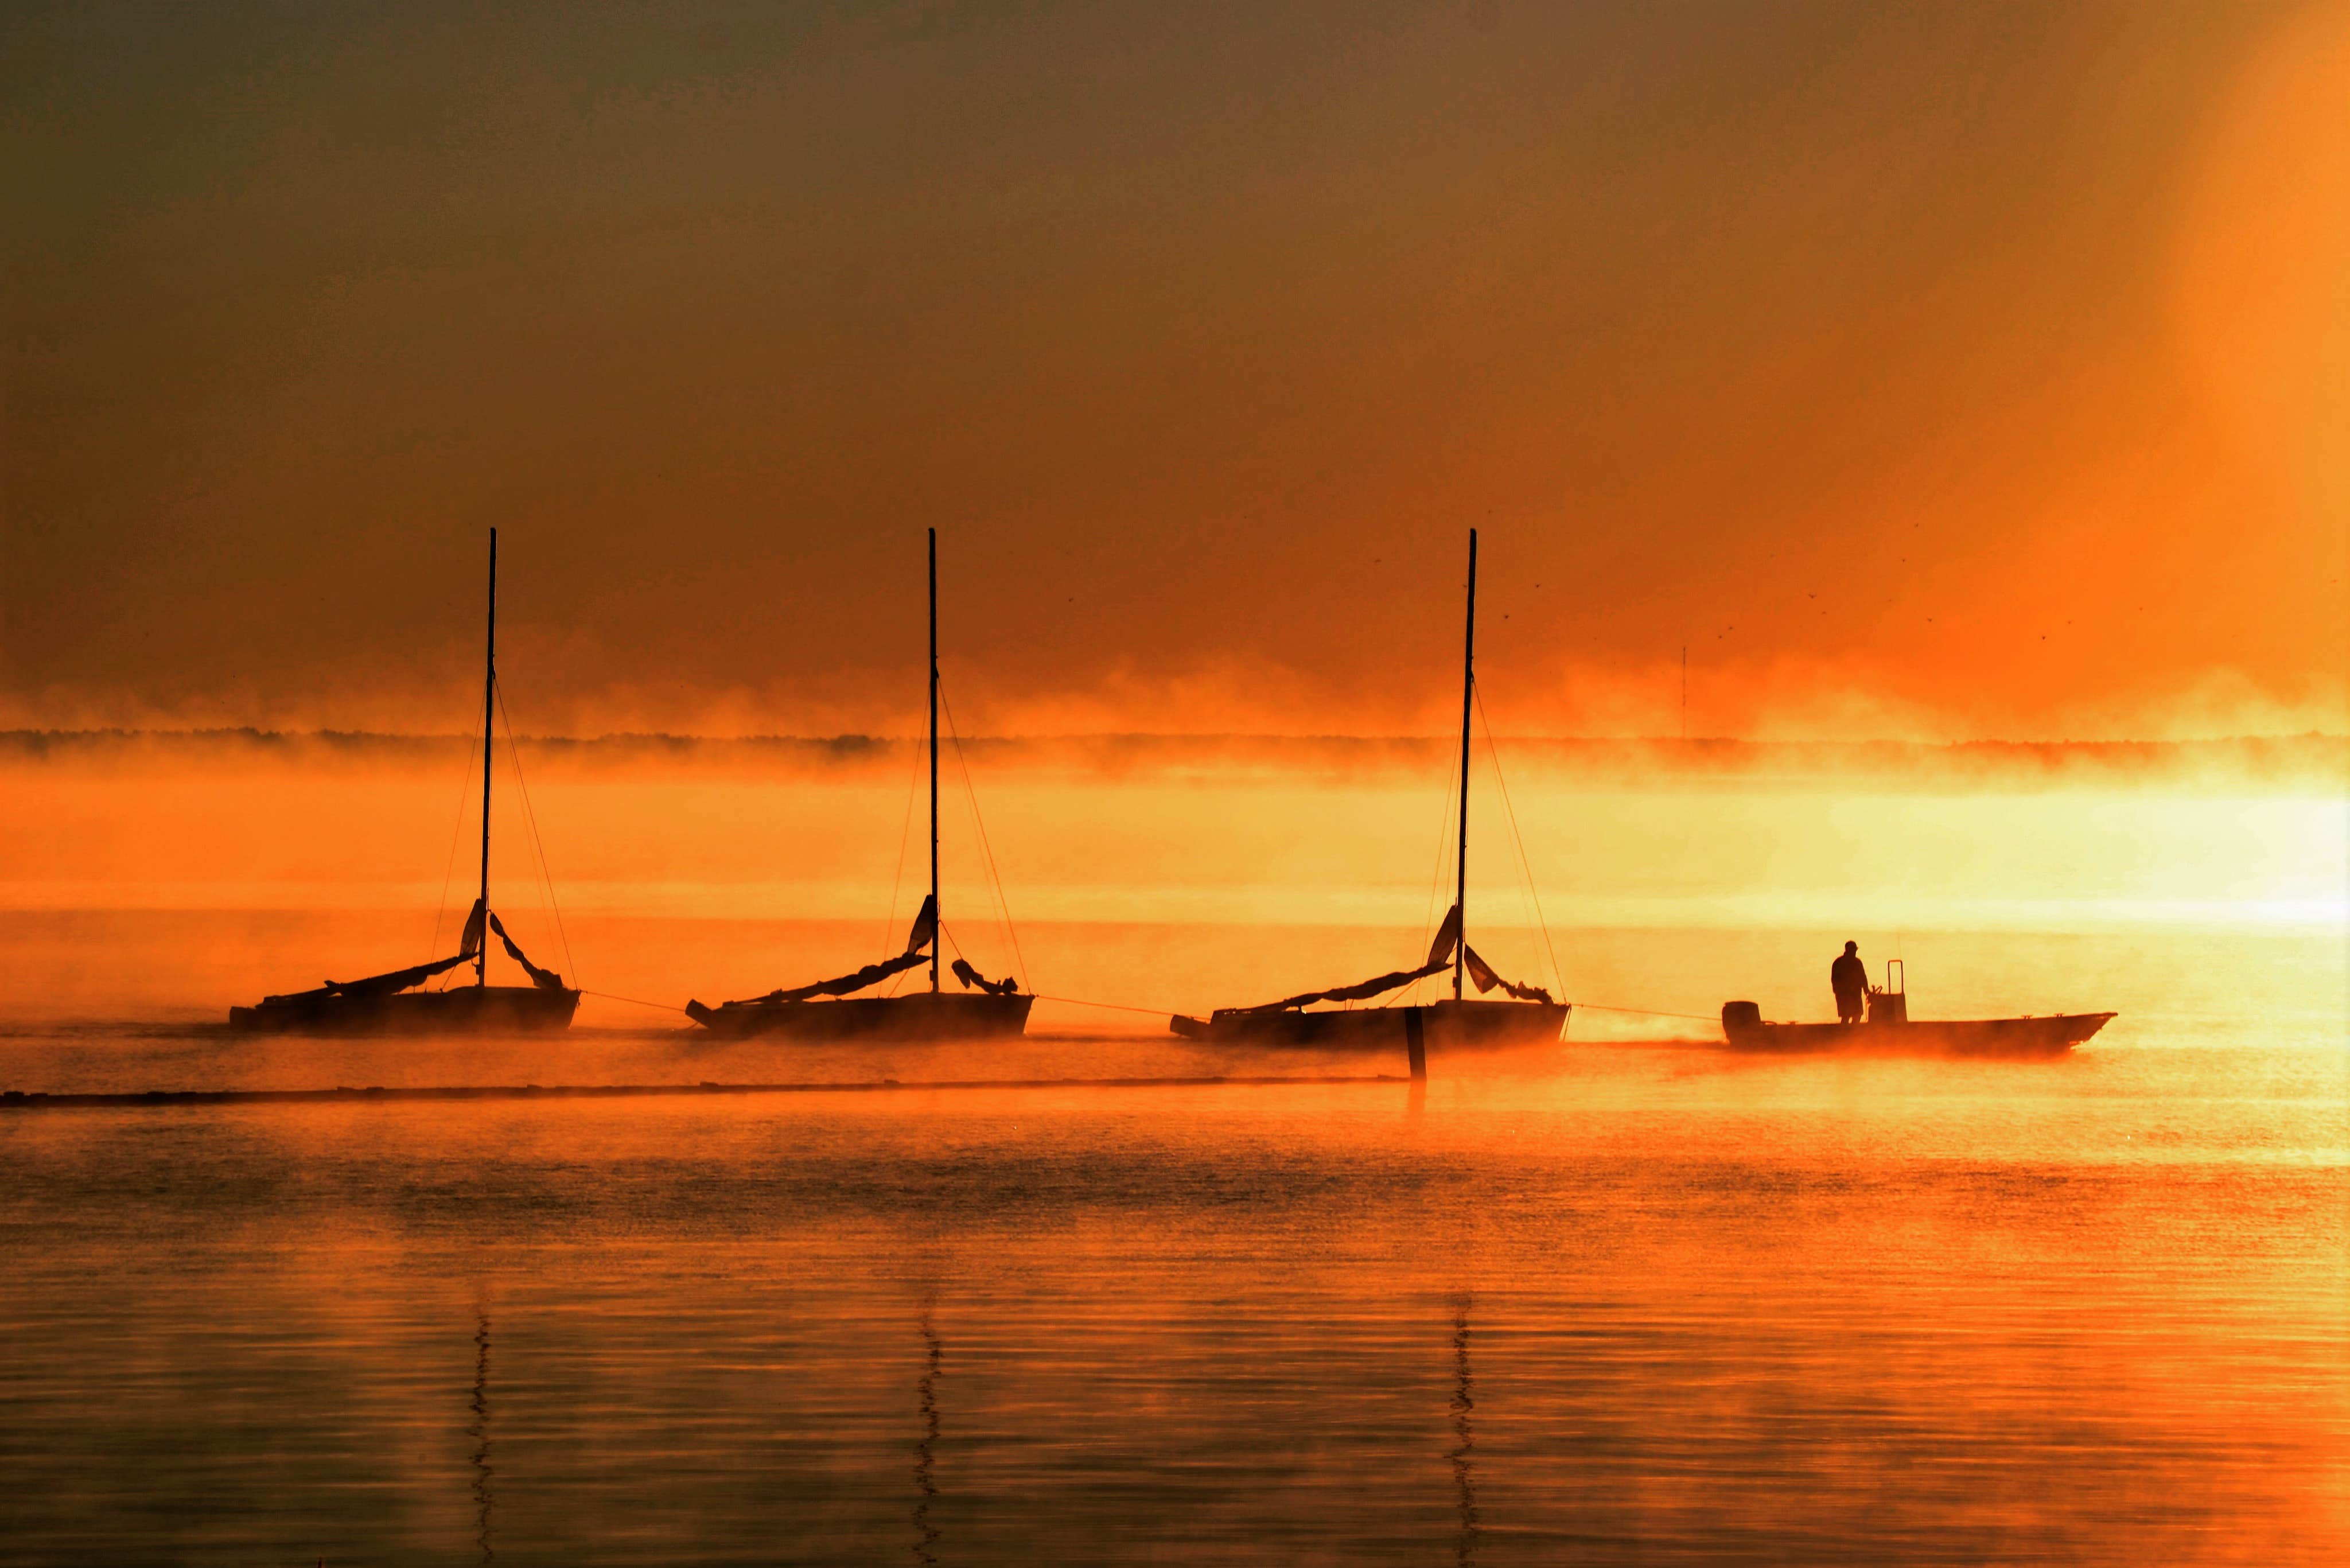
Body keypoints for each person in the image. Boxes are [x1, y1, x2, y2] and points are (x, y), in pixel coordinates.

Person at [1831, 941, 1868, 1024]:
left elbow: (1863, 977)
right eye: (1854, 950)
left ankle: (1852, 1033)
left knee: (1856, 1015)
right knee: (1846, 1016)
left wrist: (1866, 990)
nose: (1855, 952)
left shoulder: (1856, 963)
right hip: (1844, 995)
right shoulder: (1839, 963)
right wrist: (1838, 991)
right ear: (1849, 950)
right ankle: (1847, 1034)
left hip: (1854, 995)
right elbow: (1835, 979)